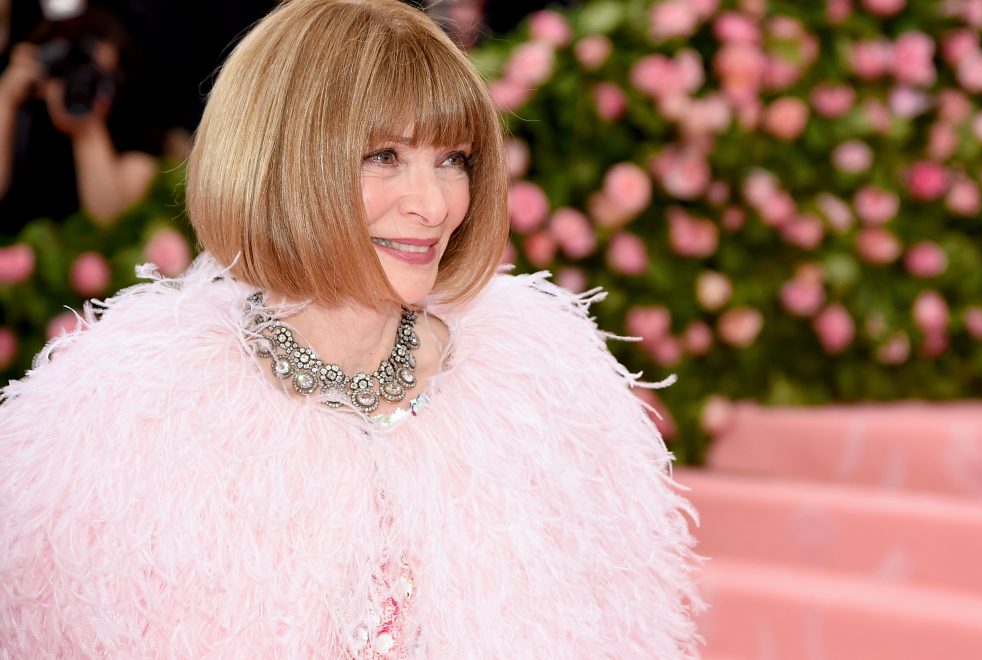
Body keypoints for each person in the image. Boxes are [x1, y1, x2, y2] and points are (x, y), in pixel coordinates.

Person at [0, 0, 702, 657]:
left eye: (452, 159)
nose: (432, 204)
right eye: (383, 157)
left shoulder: (546, 396)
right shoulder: (127, 422)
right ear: (281, 163)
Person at [0, 1, 159, 234]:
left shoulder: (135, 144)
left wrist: (87, 129)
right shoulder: (23, 114)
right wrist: (6, 98)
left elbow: (109, 224)